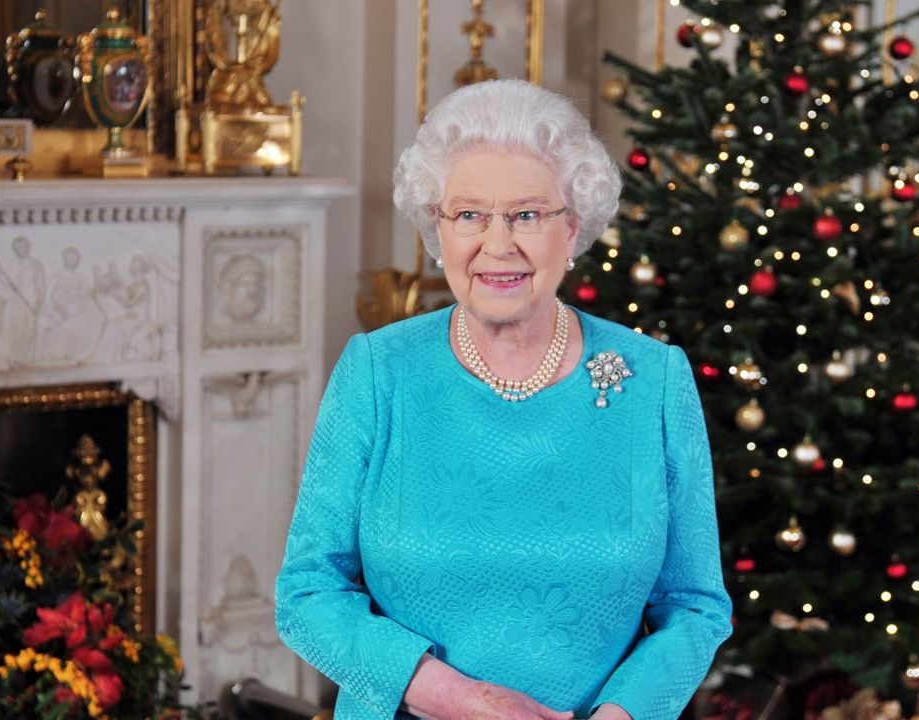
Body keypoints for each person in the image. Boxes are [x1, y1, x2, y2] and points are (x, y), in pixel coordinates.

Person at [274, 79, 732, 720]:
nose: (498, 244)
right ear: (438, 229)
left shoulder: (653, 380)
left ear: (571, 229)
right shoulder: (378, 373)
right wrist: (460, 700)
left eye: (526, 214)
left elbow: (695, 605)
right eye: (468, 215)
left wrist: (621, 716)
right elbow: (307, 593)